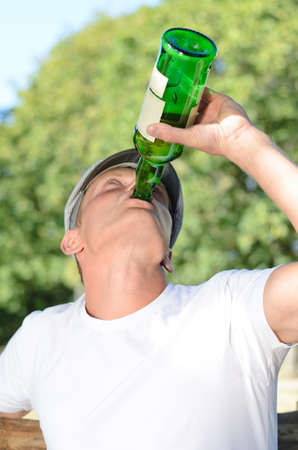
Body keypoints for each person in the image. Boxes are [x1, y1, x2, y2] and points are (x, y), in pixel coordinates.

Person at [0, 88, 297, 450]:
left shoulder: (232, 310)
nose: (143, 187)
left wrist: (243, 141)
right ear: (72, 241)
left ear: (168, 254)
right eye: (112, 184)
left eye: (158, 193)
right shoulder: (39, 337)